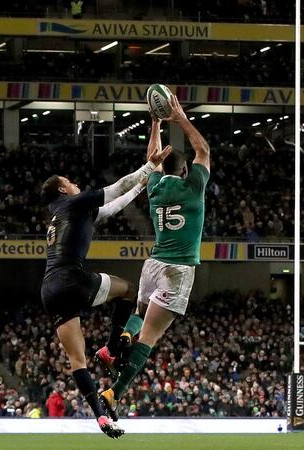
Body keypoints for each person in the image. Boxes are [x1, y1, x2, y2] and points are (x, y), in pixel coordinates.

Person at [40, 143, 169, 438]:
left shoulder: (59, 214)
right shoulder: (74, 203)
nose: (75, 184)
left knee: (77, 361)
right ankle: (111, 349)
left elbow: (111, 207)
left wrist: (140, 187)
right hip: (73, 279)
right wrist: (149, 167)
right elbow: (116, 188)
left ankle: (100, 417)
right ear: (62, 190)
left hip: (49, 290)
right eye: (70, 182)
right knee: (130, 291)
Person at [99, 94, 210, 419]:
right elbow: (203, 149)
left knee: (141, 312)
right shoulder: (194, 187)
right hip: (178, 267)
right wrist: (180, 118)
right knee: (151, 335)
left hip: (153, 263)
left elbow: (152, 158)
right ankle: (114, 392)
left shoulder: (156, 187)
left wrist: (155, 121)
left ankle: (117, 341)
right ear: (187, 169)